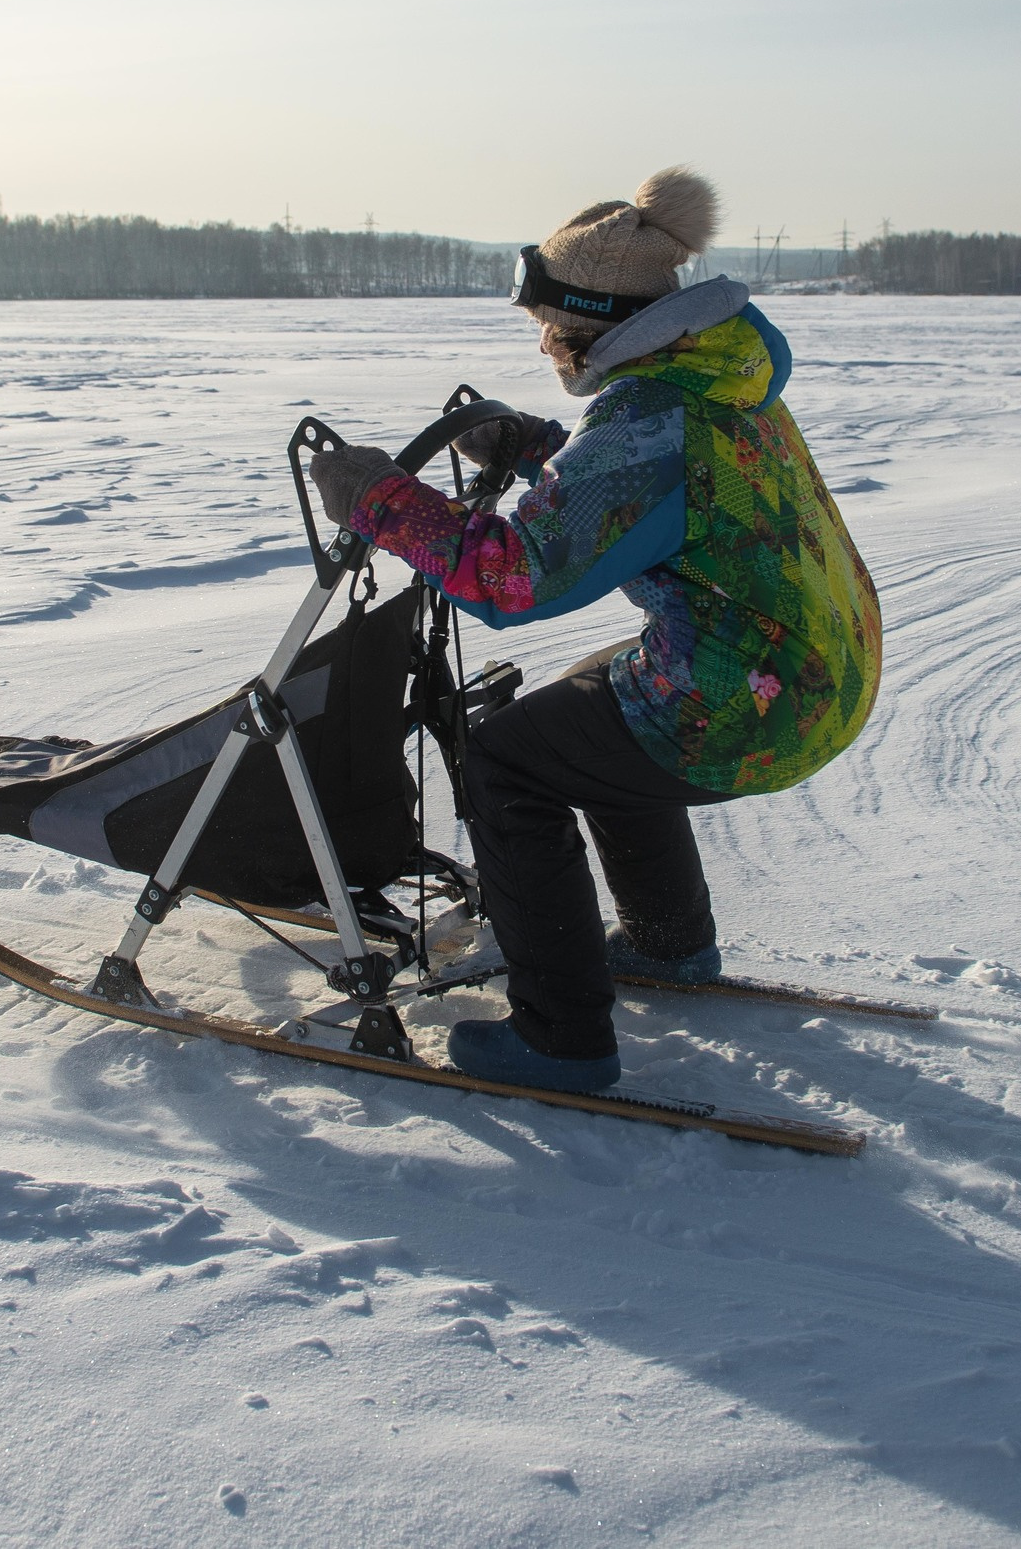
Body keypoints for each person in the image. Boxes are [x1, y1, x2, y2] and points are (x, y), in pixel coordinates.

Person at [309, 167, 881, 1094]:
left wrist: (381, 501)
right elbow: (640, 486)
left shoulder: (650, 416)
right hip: (820, 667)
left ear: (592, 324)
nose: (543, 344)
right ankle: (669, 942)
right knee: (594, 715)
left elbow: (513, 577)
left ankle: (561, 1036)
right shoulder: (713, 375)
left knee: (507, 760)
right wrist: (540, 449)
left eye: (550, 327)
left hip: (759, 703)